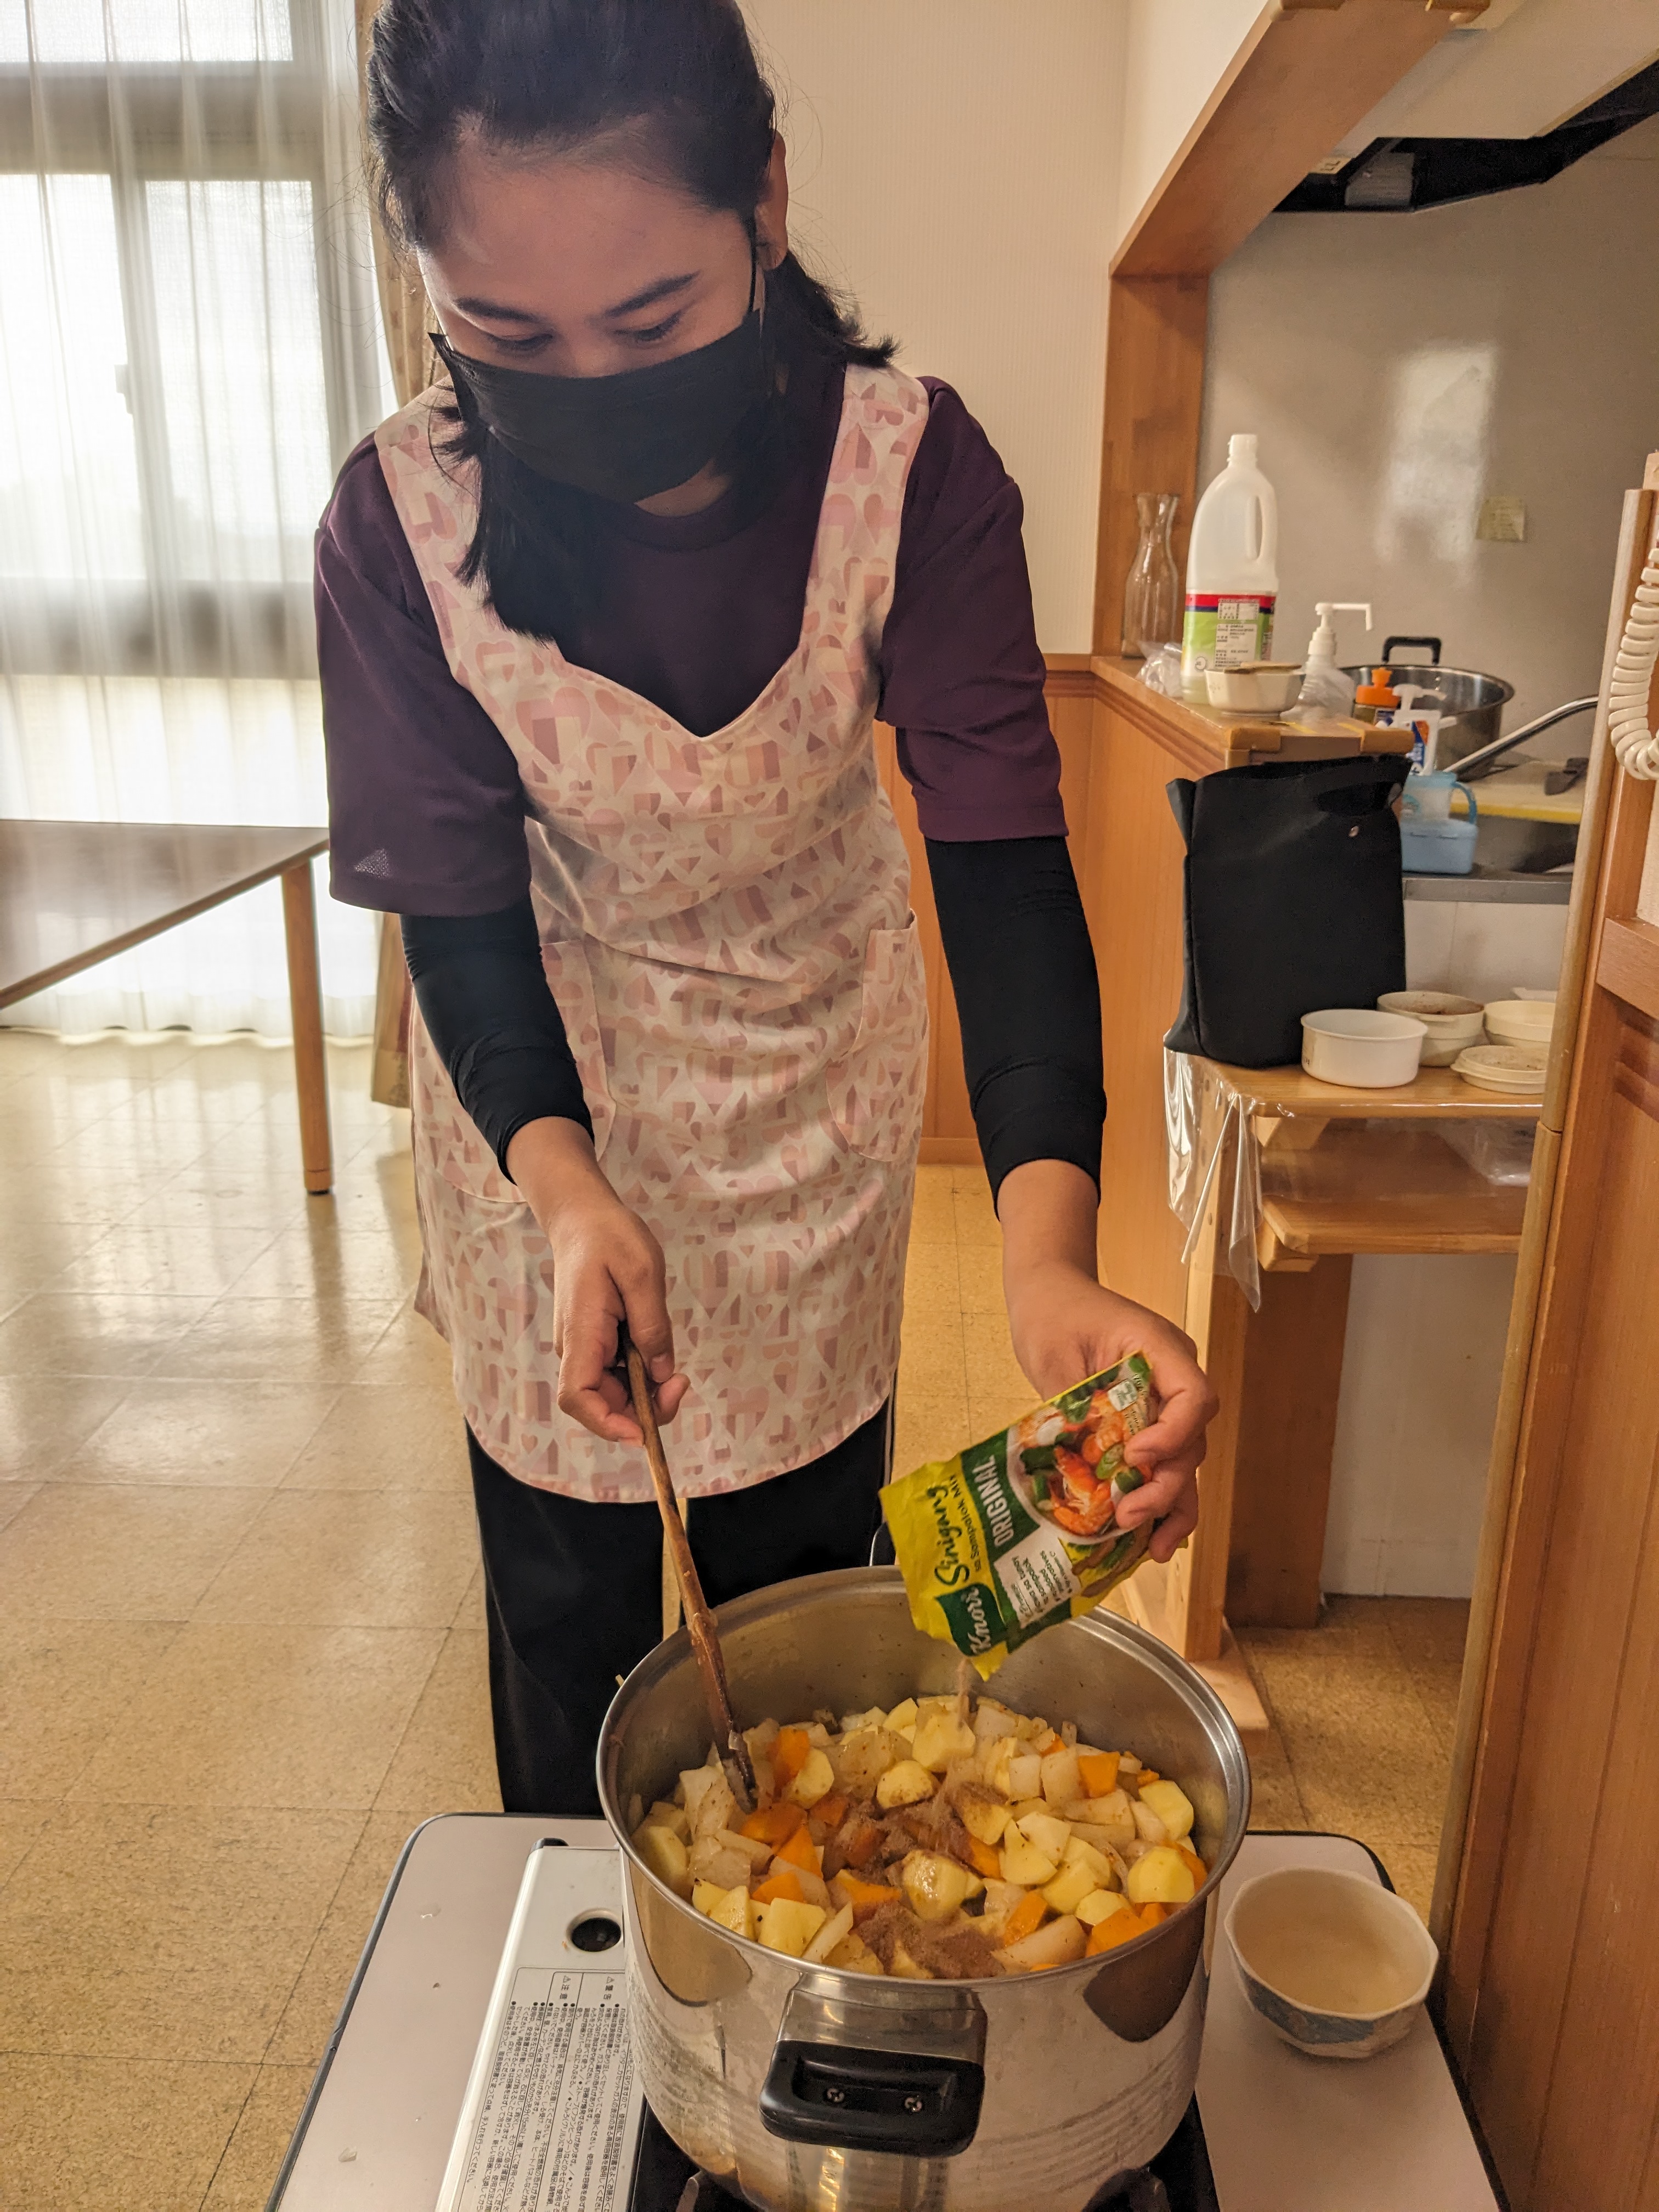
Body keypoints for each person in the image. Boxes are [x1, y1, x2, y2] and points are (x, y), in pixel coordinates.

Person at [318, 0, 1217, 1817]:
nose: (590, 383)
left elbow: (1006, 882)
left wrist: (1047, 1261)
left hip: (811, 1109)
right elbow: (463, 925)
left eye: (651, 320)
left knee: (806, 1642)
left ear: (769, 203)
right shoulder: (397, 526)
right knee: (567, 1633)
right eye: (508, 336)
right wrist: (566, 1189)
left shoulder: (911, 472)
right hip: (541, 1122)